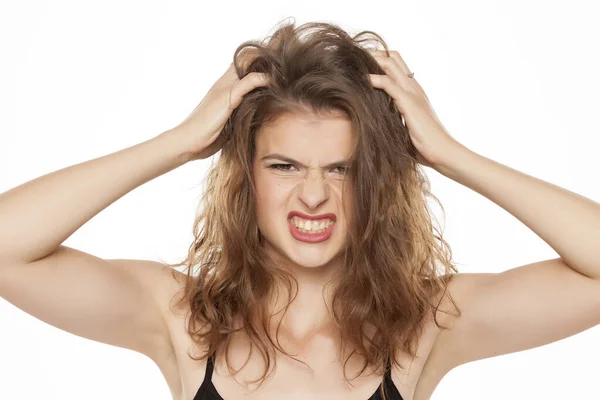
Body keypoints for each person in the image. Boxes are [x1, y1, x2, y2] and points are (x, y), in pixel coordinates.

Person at [1, 20, 600, 400]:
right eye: (283, 166)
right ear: (246, 177)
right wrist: (180, 142)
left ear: (375, 181)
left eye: (342, 168)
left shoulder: (425, 325)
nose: (313, 196)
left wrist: (448, 154)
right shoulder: (182, 319)